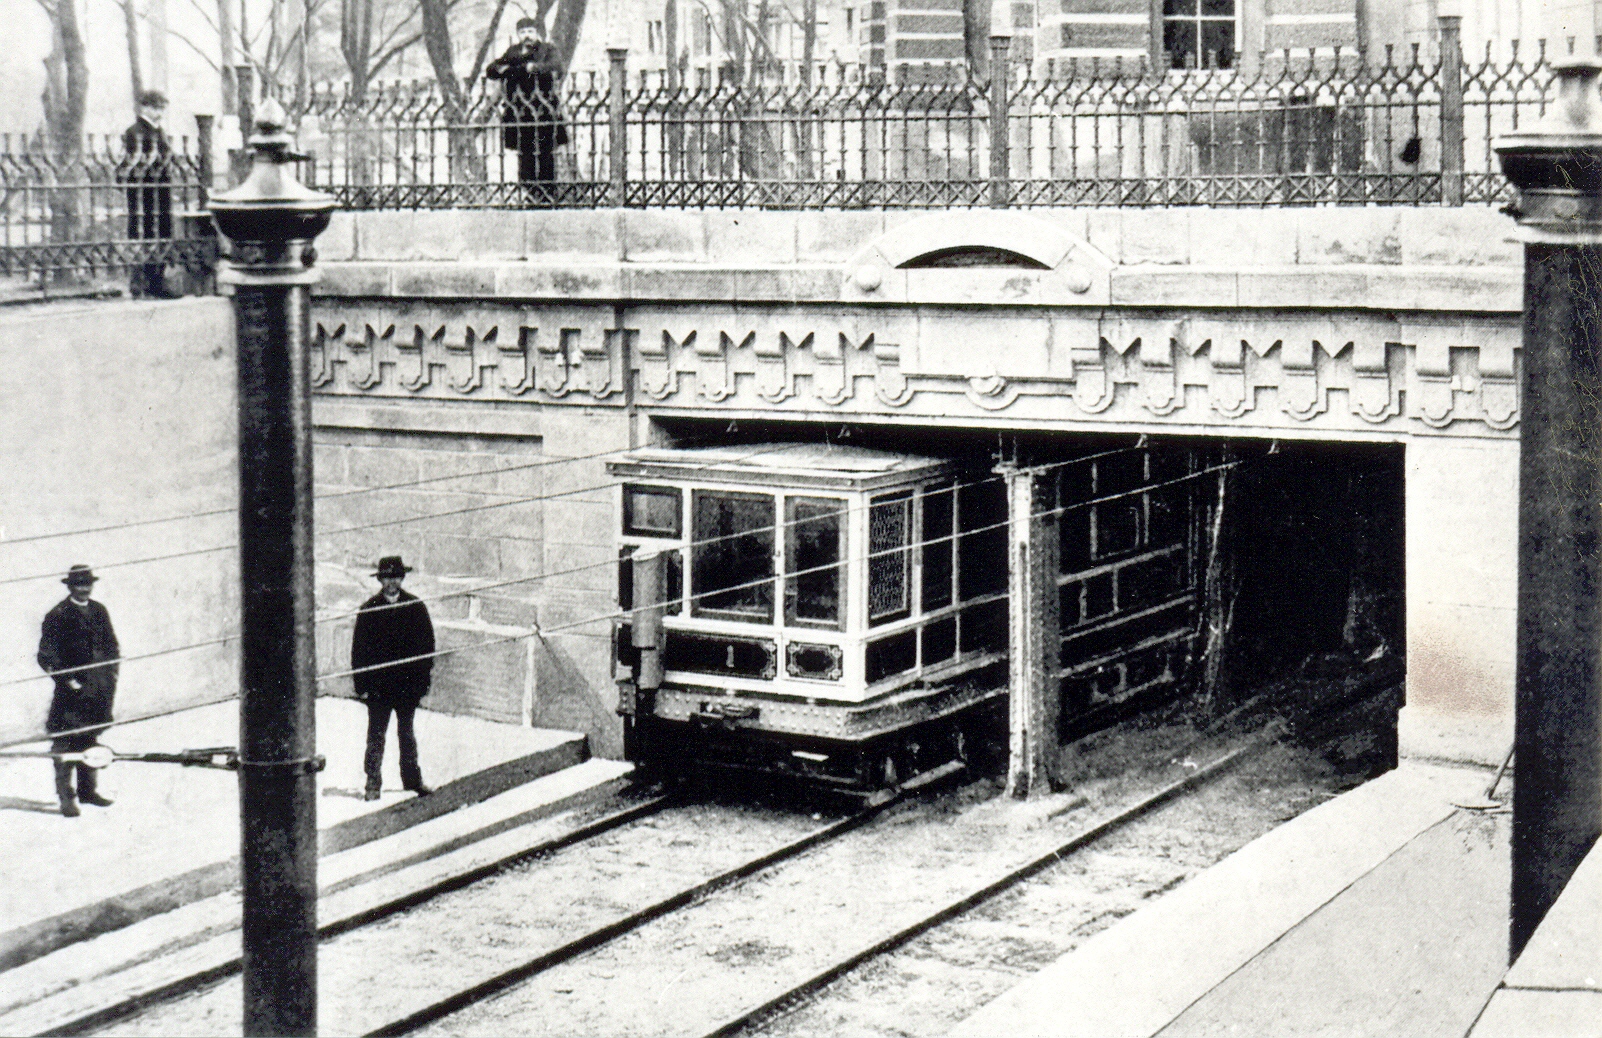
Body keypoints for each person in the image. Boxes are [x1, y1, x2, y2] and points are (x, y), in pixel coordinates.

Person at [37, 565, 120, 818]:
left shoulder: (98, 610)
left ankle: (88, 792)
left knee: (90, 739)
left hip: (98, 691)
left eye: (88, 583)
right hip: (71, 693)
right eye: (79, 584)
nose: (84, 588)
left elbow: (112, 646)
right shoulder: (58, 614)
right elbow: (46, 656)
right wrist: (68, 680)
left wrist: (111, 675)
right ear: (70, 586)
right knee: (64, 744)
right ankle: (67, 799)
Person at [351, 556, 436, 800]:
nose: (392, 582)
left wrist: (422, 681)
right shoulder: (369, 609)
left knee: (406, 733)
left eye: (396, 577)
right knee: (376, 735)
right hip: (379, 687)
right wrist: (362, 685)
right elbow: (359, 650)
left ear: (402, 578)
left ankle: (412, 780)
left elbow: (427, 647)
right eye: (387, 577)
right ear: (380, 579)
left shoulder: (415, 607)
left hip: (407, 685)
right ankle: (372, 784)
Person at [485, 16, 567, 191]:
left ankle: (547, 197)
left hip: (544, 108)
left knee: (546, 153)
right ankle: (529, 196)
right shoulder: (513, 52)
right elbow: (492, 70)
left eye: (530, 31)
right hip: (519, 110)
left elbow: (556, 67)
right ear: (518, 34)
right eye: (523, 32)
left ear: (538, 33)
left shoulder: (548, 49)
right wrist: (520, 69)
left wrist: (530, 68)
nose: (527, 36)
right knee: (525, 155)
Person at [119, 90, 175, 299]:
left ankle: (157, 281)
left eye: (162, 108)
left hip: (160, 190)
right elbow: (131, 163)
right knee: (142, 231)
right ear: (145, 107)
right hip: (143, 191)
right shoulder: (134, 131)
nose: (160, 113)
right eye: (156, 108)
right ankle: (140, 282)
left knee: (161, 231)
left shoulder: (159, 131)